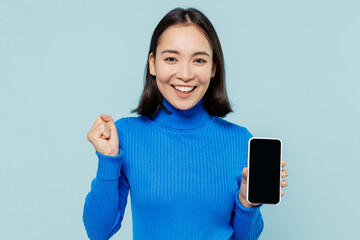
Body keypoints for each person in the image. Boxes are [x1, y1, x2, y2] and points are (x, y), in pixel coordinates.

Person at [83, 7, 289, 240]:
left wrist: (247, 203)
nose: (185, 74)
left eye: (198, 60)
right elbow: (98, 232)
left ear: (213, 68)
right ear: (153, 63)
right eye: (171, 58)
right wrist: (108, 160)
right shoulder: (126, 135)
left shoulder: (240, 140)